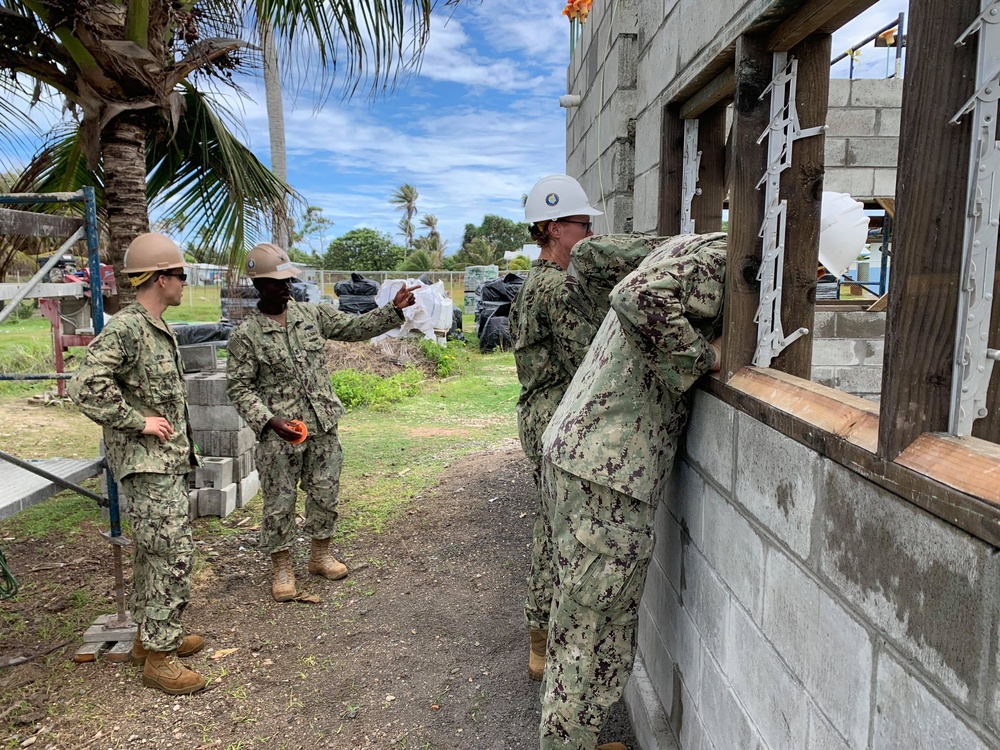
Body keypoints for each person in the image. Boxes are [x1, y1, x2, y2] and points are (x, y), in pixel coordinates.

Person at [538, 232, 727, 750]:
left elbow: (592, 255)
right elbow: (634, 295)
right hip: (606, 469)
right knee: (591, 625)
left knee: (599, 614)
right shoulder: (726, 259)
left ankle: (584, 737)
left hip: (587, 454)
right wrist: (702, 357)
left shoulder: (693, 242)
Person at [226, 243, 418, 602]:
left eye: (288, 280)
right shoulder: (246, 336)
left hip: (323, 424)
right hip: (280, 434)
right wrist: (268, 421)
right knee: (280, 501)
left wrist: (391, 310)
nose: (286, 287)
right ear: (259, 284)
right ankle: (282, 566)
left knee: (325, 493)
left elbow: (354, 327)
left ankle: (319, 554)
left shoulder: (310, 316)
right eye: (277, 282)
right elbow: (239, 387)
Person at [69, 233, 206, 696]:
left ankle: (151, 640)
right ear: (162, 278)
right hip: (146, 465)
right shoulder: (128, 327)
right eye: (181, 275)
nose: (185, 283)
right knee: (170, 553)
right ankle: (161, 659)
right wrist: (137, 421)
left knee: (153, 553)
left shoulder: (154, 325)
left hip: (163, 464)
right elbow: (85, 386)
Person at [509, 175, 603, 682]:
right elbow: (590, 358)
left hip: (540, 412)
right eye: (582, 225)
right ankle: (542, 644)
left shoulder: (535, 282)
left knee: (551, 527)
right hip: (555, 417)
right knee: (555, 533)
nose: (588, 234)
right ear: (552, 227)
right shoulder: (557, 289)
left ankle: (540, 640)